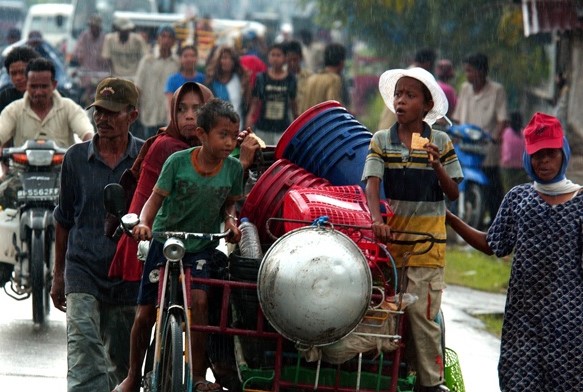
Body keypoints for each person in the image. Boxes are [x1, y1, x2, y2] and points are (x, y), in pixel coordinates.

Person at [446, 112, 583, 391]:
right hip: (523, 322)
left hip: (570, 325)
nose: (544, 161)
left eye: (550, 154)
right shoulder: (518, 198)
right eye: (537, 155)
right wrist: (449, 218)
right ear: (527, 157)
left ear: (563, 153)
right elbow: (492, 243)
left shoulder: (581, 203)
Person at [131, 98, 244, 392]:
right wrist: (144, 224)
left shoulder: (233, 169)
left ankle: (196, 374)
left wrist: (231, 224)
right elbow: (152, 202)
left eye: (234, 136)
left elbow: (229, 206)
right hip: (165, 241)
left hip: (202, 246)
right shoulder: (177, 162)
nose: (230, 142)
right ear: (202, 135)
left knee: (201, 302)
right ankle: (132, 376)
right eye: (223, 135)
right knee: (145, 313)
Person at [362, 67, 462, 392]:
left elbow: (453, 192)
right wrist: (377, 221)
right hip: (391, 248)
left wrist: (436, 164)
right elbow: (372, 185)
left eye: (410, 95)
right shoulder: (381, 141)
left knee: (421, 314)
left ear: (426, 104)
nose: (401, 101)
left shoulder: (441, 141)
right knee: (384, 314)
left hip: (427, 248)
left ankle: (431, 384)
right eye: (398, 94)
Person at [50, 77, 145, 391]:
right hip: (83, 268)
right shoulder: (76, 159)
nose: (102, 119)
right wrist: (58, 275)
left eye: (112, 112)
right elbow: (64, 219)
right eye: (99, 111)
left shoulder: (145, 158)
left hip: (126, 274)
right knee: (84, 351)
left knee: (121, 362)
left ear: (132, 115)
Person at [452, 53, 508, 227]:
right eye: (466, 71)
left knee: (494, 188)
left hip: (486, 148)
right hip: (466, 145)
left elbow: (502, 119)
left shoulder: (496, 90)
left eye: (470, 71)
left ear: (481, 71)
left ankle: (497, 223)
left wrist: (497, 136)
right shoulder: (465, 89)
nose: (467, 75)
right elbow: (458, 118)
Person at [0, 57, 94, 149]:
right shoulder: (13, 110)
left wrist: (91, 148)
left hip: (62, 164)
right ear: (27, 85)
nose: (38, 92)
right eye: (33, 87)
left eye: (44, 86)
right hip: (20, 165)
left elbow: (86, 131)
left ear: (54, 85)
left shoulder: (69, 107)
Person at [246, 43, 298, 145]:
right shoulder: (261, 78)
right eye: (272, 55)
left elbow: (293, 104)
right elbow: (255, 102)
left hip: (282, 128)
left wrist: (296, 123)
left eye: (278, 55)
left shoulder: (291, 79)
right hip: (263, 127)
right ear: (268, 57)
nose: (275, 58)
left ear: (285, 58)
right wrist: (249, 120)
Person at [134, 25, 179, 139]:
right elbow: (138, 86)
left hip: (168, 116)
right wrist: (136, 107)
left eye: (169, 37)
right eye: (163, 36)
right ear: (158, 39)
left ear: (174, 41)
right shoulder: (147, 60)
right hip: (149, 112)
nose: (166, 40)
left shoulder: (177, 62)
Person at [205, 45, 251, 127]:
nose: (227, 61)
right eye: (224, 58)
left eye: (231, 59)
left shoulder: (240, 79)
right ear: (219, 60)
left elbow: (247, 103)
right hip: (216, 129)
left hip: (237, 129)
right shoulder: (211, 82)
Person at [72, 14, 109, 106]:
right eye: (91, 27)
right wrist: (79, 57)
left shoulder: (106, 38)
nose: (92, 29)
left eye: (95, 27)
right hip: (86, 74)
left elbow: (108, 57)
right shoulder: (84, 36)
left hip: (101, 74)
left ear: (99, 28)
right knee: (78, 97)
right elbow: (77, 51)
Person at [299, 42, 346, 113]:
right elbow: (334, 109)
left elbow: (301, 109)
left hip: (308, 123)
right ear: (341, 63)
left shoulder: (310, 79)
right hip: (323, 123)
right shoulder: (334, 79)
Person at [0, 46, 40, 113]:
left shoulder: (53, 97)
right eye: (13, 73)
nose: (18, 78)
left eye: (23, 72)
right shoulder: (5, 98)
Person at [500, 111, 529, 193]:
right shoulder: (524, 134)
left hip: (507, 168)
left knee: (508, 191)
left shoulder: (507, 133)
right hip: (521, 168)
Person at [285, 40, 312, 116]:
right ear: (285, 58)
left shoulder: (309, 77)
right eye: (289, 60)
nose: (292, 63)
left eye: (295, 60)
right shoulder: (281, 76)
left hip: (303, 116)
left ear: (301, 58)